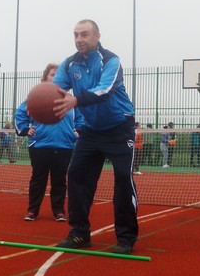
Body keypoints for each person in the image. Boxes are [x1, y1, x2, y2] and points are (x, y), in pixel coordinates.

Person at [52, 19, 138, 255]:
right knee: (76, 175)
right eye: (76, 35)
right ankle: (79, 233)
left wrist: (76, 99)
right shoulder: (69, 64)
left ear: (97, 36)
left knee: (123, 179)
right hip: (91, 131)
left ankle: (126, 238)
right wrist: (41, 100)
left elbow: (104, 90)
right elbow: (55, 90)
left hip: (119, 128)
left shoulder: (111, 60)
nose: (79, 39)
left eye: (84, 34)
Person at [15, 63, 83, 221]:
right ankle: (32, 211)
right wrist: (25, 130)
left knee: (60, 180)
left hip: (65, 145)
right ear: (45, 77)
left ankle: (59, 211)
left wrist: (78, 132)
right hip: (40, 145)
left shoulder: (70, 99)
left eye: (59, 74)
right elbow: (20, 114)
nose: (56, 77)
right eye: (53, 74)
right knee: (38, 180)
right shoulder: (36, 97)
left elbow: (81, 119)